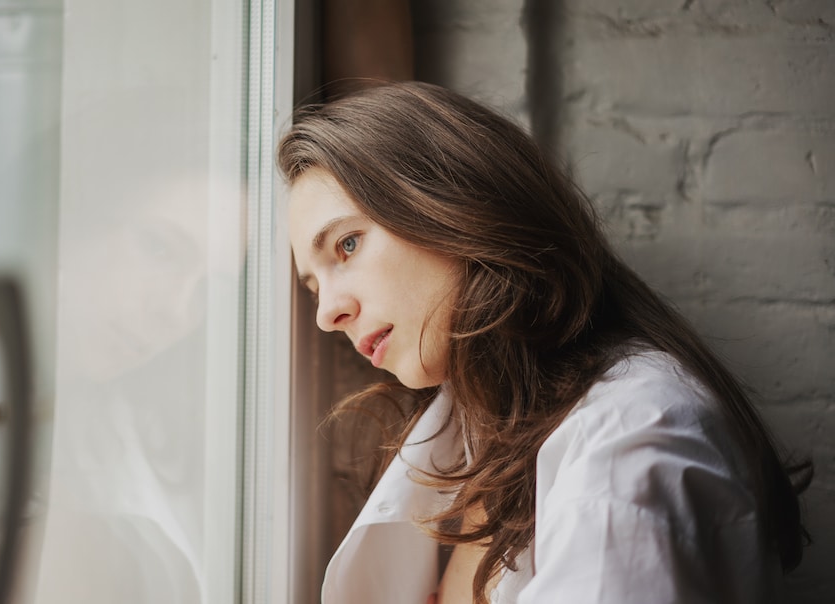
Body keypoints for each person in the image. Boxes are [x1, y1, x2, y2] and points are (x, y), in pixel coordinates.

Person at [278, 82, 812, 604]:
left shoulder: (633, 440)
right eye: (313, 286)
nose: (327, 313)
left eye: (348, 244)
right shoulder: (483, 434)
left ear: (453, 203)